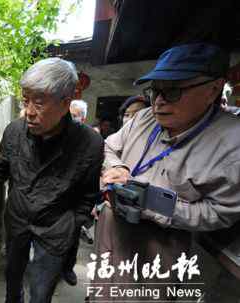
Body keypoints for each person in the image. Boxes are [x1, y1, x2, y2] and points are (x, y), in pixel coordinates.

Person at [91, 43, 240, 301]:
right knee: (103, 291)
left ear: (213, 89)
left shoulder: (232, 145)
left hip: (159, 244)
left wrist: (156, 205)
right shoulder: (144, 118)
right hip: (112, 225)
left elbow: (219, 213)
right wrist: (116, 167)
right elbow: (108, 148)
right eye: (155, 91)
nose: (159, 101)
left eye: (172, 91)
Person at [0, 57, 104, 303]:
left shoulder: (90, 143)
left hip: (56, 228)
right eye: (25, 100)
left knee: (41, 292)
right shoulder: (14, 131)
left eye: (39, 103)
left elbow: (88, 193)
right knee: (13, 280)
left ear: (65, 104)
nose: (29, 111)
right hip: (18, 220)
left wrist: (74, 223)